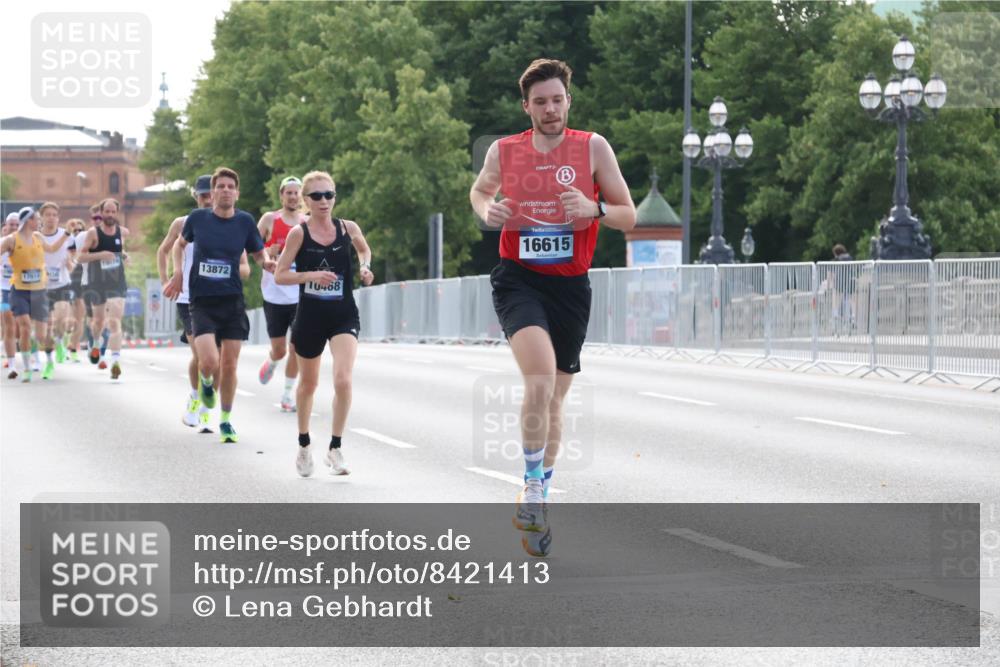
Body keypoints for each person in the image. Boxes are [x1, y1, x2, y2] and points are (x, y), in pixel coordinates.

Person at [469, 58, 636, 554]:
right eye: (539, 102)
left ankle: (538, 498)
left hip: (571, 287)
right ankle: (533, 484)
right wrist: (488, 210)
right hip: (519, 280)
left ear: (568, 101)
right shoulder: (506, 151)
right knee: (538, 379)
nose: (549, 109)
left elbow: (628, 215)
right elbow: (480, 192)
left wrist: (594, 209)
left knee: (556, 399)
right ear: (527, 107)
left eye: (556, 99)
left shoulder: (593, 148)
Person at [164, 167, 275, 443]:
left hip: (232, 302)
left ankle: (225, 420)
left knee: (230, 365)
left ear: (236, 193)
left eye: (230, 186)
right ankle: (204, 384)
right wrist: (177, 272)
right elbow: (178, 246)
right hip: (201, 302)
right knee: (209, 360)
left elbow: (258, 253)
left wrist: (268, 263)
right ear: (212, 193)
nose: (225, 190)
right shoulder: (197, 219)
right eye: (220, 186)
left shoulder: (245, 222)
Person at [274, 170, 374, 477]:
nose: (323, 201)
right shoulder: (299, 234)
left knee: (343, 379)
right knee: (309, 384)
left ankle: (335, 448)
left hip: (343, 313)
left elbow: (364, 249)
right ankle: (304, 444)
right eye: (316, 196)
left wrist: (365, 267)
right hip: (310, 317)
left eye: (328, 194)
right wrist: (310, 276)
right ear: (305, 200)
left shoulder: (348, 227)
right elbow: (280, 274)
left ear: (335, 197)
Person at [158, 175, 216, 431]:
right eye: (203, 195)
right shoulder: (182, 223)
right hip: (188, 297)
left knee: (215, 359)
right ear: (196, 196)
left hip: (218, 297)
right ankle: (196, 398)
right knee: (201, 356)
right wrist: (166, 280)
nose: (208, 199)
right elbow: (163, 250)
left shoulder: (228, 223)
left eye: (211, 194)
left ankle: (204, 402)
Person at [0, 207, 72, 382]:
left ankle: (49, 360)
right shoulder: (10, 240)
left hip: (39, 290)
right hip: (19, 290)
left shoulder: (38, 237)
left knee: (40, 335)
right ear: (28, 221)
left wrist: (66, 233)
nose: (39, 222)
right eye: (36, 219)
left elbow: (53, 249)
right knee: (24, 326)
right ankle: (26, 368)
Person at [257, 175, 304, 412]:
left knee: (297, 346)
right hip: (274, 294)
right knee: (281, 349)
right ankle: (273, 360)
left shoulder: (307, 221)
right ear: (281, 195)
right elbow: (252, 250)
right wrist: (268, 251)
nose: (293, 197)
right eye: (289, 192)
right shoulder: (270, 219)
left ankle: (287, 395)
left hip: (299, 294)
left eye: (297, 193)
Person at [76, 198, 129, 379]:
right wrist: (100, 255)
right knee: (98, 322)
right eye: (107, 211)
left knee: (114, 321)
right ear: (101, 212)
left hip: (117, 281)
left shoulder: (121, 232)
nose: (110, 215)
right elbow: (80, 257)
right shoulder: (93, 233)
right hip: (97, 282)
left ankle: (115, 362)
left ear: (117, 213)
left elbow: (119, 251)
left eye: (113, 212)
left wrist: (124, 256)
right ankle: (96, 344)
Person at [38, 202, 74, 378]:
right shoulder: (36, 236)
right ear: (41, 217)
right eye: (48, 214)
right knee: (46, 328)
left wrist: (69, 263)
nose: (51, 218)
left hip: (61, 283)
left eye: (54, 214)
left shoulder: (65, 235)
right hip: (41, 286)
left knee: (60, 320)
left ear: (58, 217)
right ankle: (49, 362)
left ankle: (60, 341)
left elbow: (73, 257)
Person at [63, 217, 87, 362]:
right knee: (68, 319)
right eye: (75, 230)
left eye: (80, 230)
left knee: (80, 319)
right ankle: (63, 341)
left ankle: (73, 348)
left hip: (83, 283)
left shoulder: (88, 245)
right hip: (67, 283)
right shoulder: (65, 244)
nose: (77, 232)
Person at [2, 213, 20, 377]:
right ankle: (12, 364)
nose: (14, 228)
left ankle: (32, 358)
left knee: (22, 326)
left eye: (17, 224)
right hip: (4, 289)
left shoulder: (27, 244)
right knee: (9, 324)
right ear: (5, 226)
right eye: (11, 224)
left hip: (23, 289)